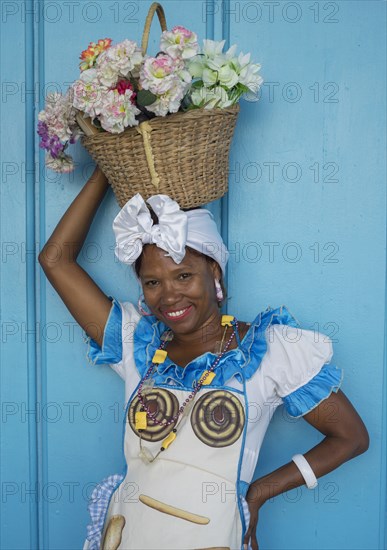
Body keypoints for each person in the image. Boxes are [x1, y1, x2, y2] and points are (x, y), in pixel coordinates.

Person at [39, 167, 369, 550]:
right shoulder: (138, 344)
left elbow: (351, 437)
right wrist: (108, 167)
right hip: (128, 534)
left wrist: (259, 492)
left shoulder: (272, 350)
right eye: (152, 282)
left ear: (214, 271)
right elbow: (55, 260)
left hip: (212, 537)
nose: (169, 296)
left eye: (183, 276)